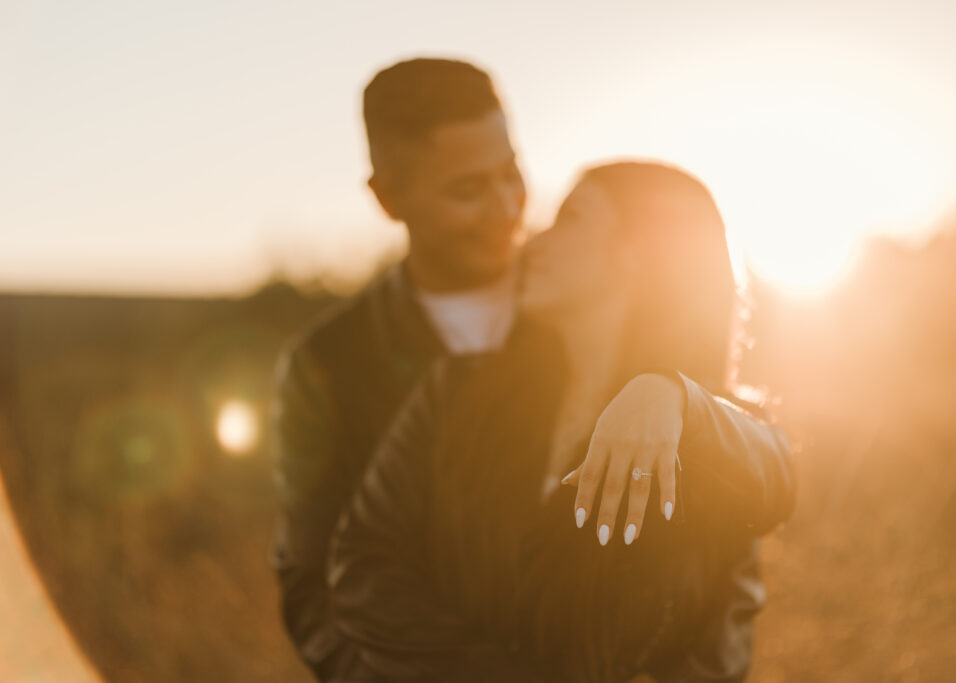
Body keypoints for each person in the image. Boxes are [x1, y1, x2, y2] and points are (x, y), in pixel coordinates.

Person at [270, 58, 743, 682]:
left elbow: (728, 548)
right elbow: (320, 583)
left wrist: (675, 395)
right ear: (389, 198)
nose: (506, 210)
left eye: (512, 175)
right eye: (467, 190)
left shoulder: (585, 304)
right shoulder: (328, 366)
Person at [329, 161, 795, 682]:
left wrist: (674, 398)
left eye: (569, 219)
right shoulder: (453, 394)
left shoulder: (702, 442)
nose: (531, 243)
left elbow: (775, 473)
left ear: (637, 255)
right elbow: (363, 565)